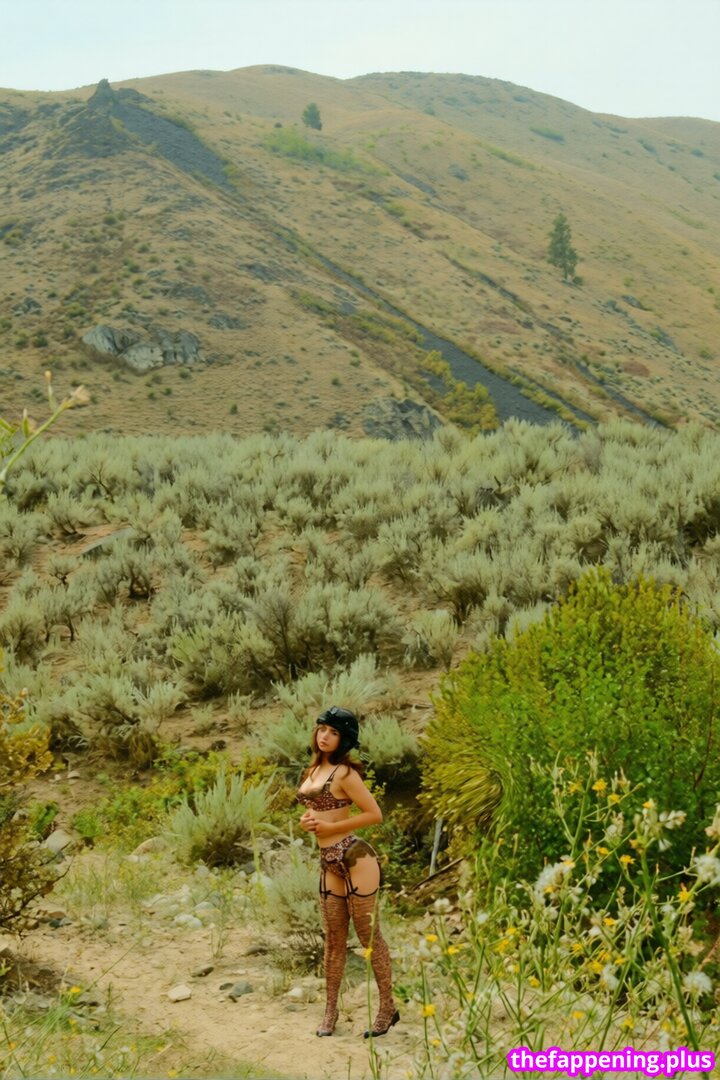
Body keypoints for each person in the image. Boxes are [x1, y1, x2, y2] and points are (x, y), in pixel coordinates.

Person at [297, 705, 400, 1039]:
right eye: (322, 729)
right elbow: (316, 811)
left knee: (368, 936)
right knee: (334, 939)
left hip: (356, 857)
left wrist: (331, 826)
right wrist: (308, 822)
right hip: (328, 861)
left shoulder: (344, 773)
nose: (325, 736)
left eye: (334, 732)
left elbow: (374, 814)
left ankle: (387, 1008)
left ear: (344, 740)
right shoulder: (314, 769)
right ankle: (330, 1011)